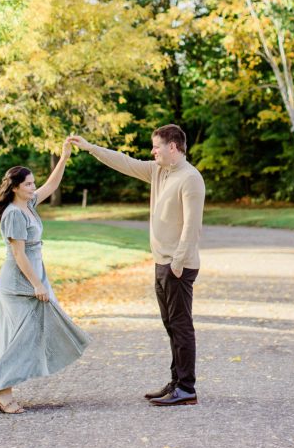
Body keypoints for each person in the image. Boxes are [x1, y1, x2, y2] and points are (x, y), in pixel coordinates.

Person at [69, 124, 205, 407]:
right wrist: (90, 147)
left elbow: (192, 225)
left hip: (177, 265)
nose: (152, 151)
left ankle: (187, 388)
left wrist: (178, 263)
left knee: (181, 326)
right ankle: (176, 382)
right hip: (162, 263)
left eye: (156, 146)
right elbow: (125, 162)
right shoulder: (158, 171)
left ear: (173, 147)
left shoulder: (190, 178)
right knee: (170, 325)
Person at [0, 140, 89, 414]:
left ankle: (2, 389)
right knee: (20, 338)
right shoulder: (14, 214)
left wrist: (64, 157)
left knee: (29, 334)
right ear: (15, 188)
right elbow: (18, 255)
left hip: (32, 278)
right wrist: (37, 284)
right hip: (19, 284)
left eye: (33, 183)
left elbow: (52, 186)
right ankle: (1, 392)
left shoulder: (29, 205)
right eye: (28, 184)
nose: (33, 188)